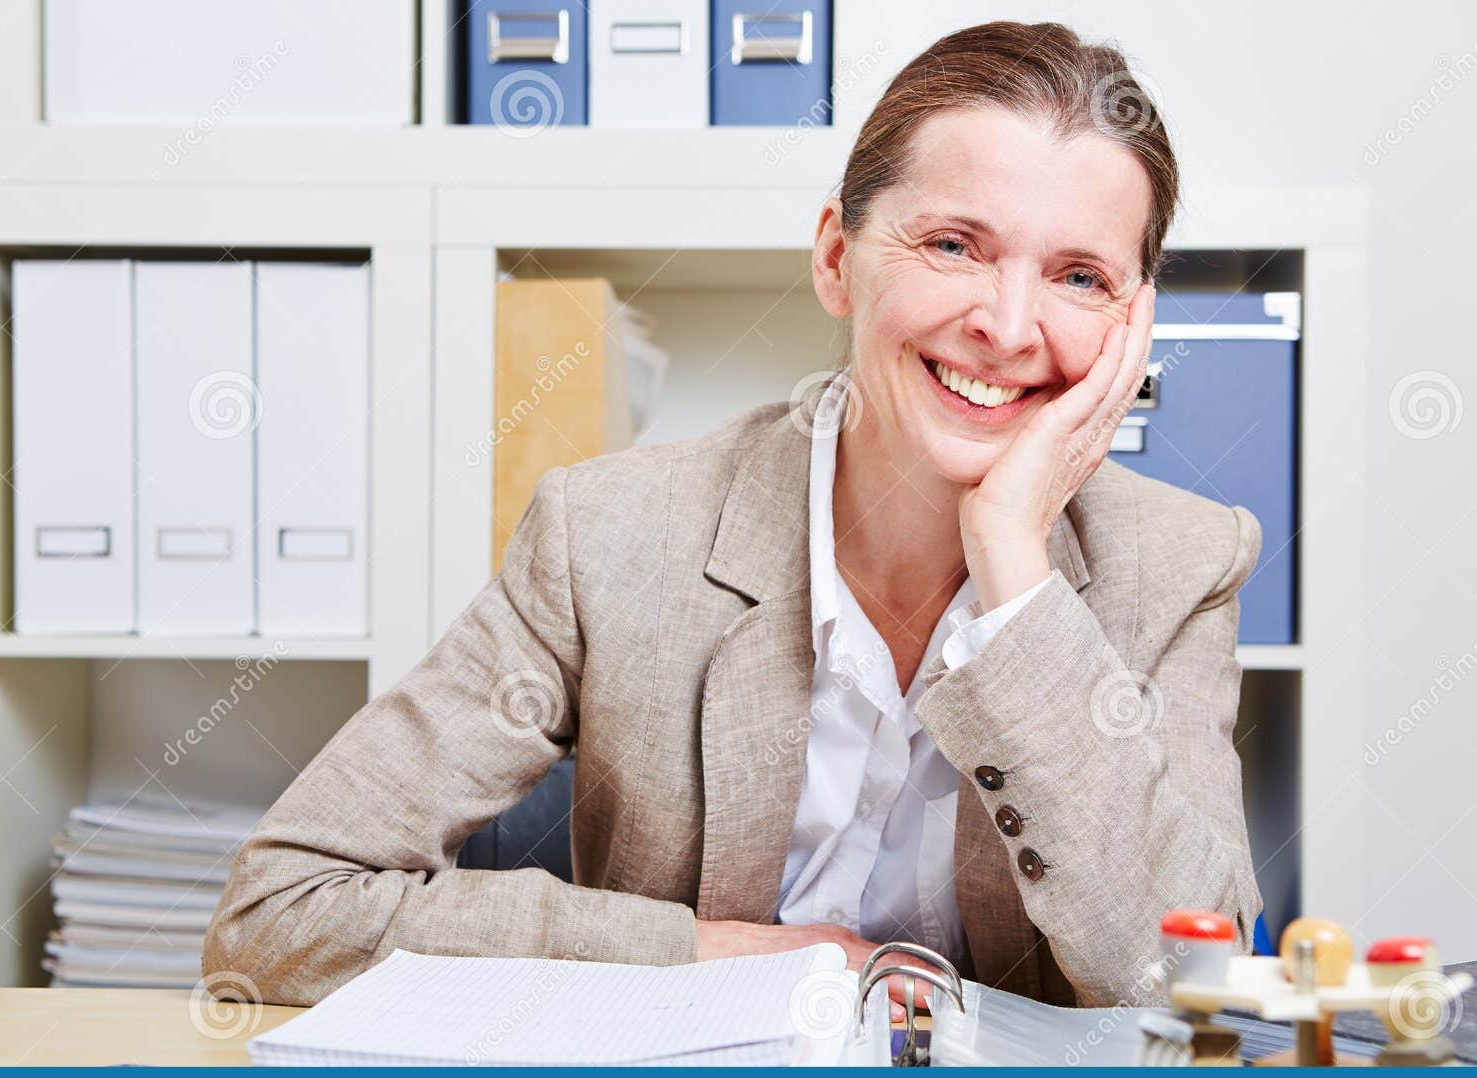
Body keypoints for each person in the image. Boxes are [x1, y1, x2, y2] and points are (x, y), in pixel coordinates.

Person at [205, 21, 1263, 1011]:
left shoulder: (1175, 565)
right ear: (836, 259)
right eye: (952, 245)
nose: (1007, 323)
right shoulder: (612, 533)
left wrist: (1012, 567)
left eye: (1079, 276)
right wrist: (717, 953)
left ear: (1132, 328)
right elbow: (280, 912)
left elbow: (1186, 983)